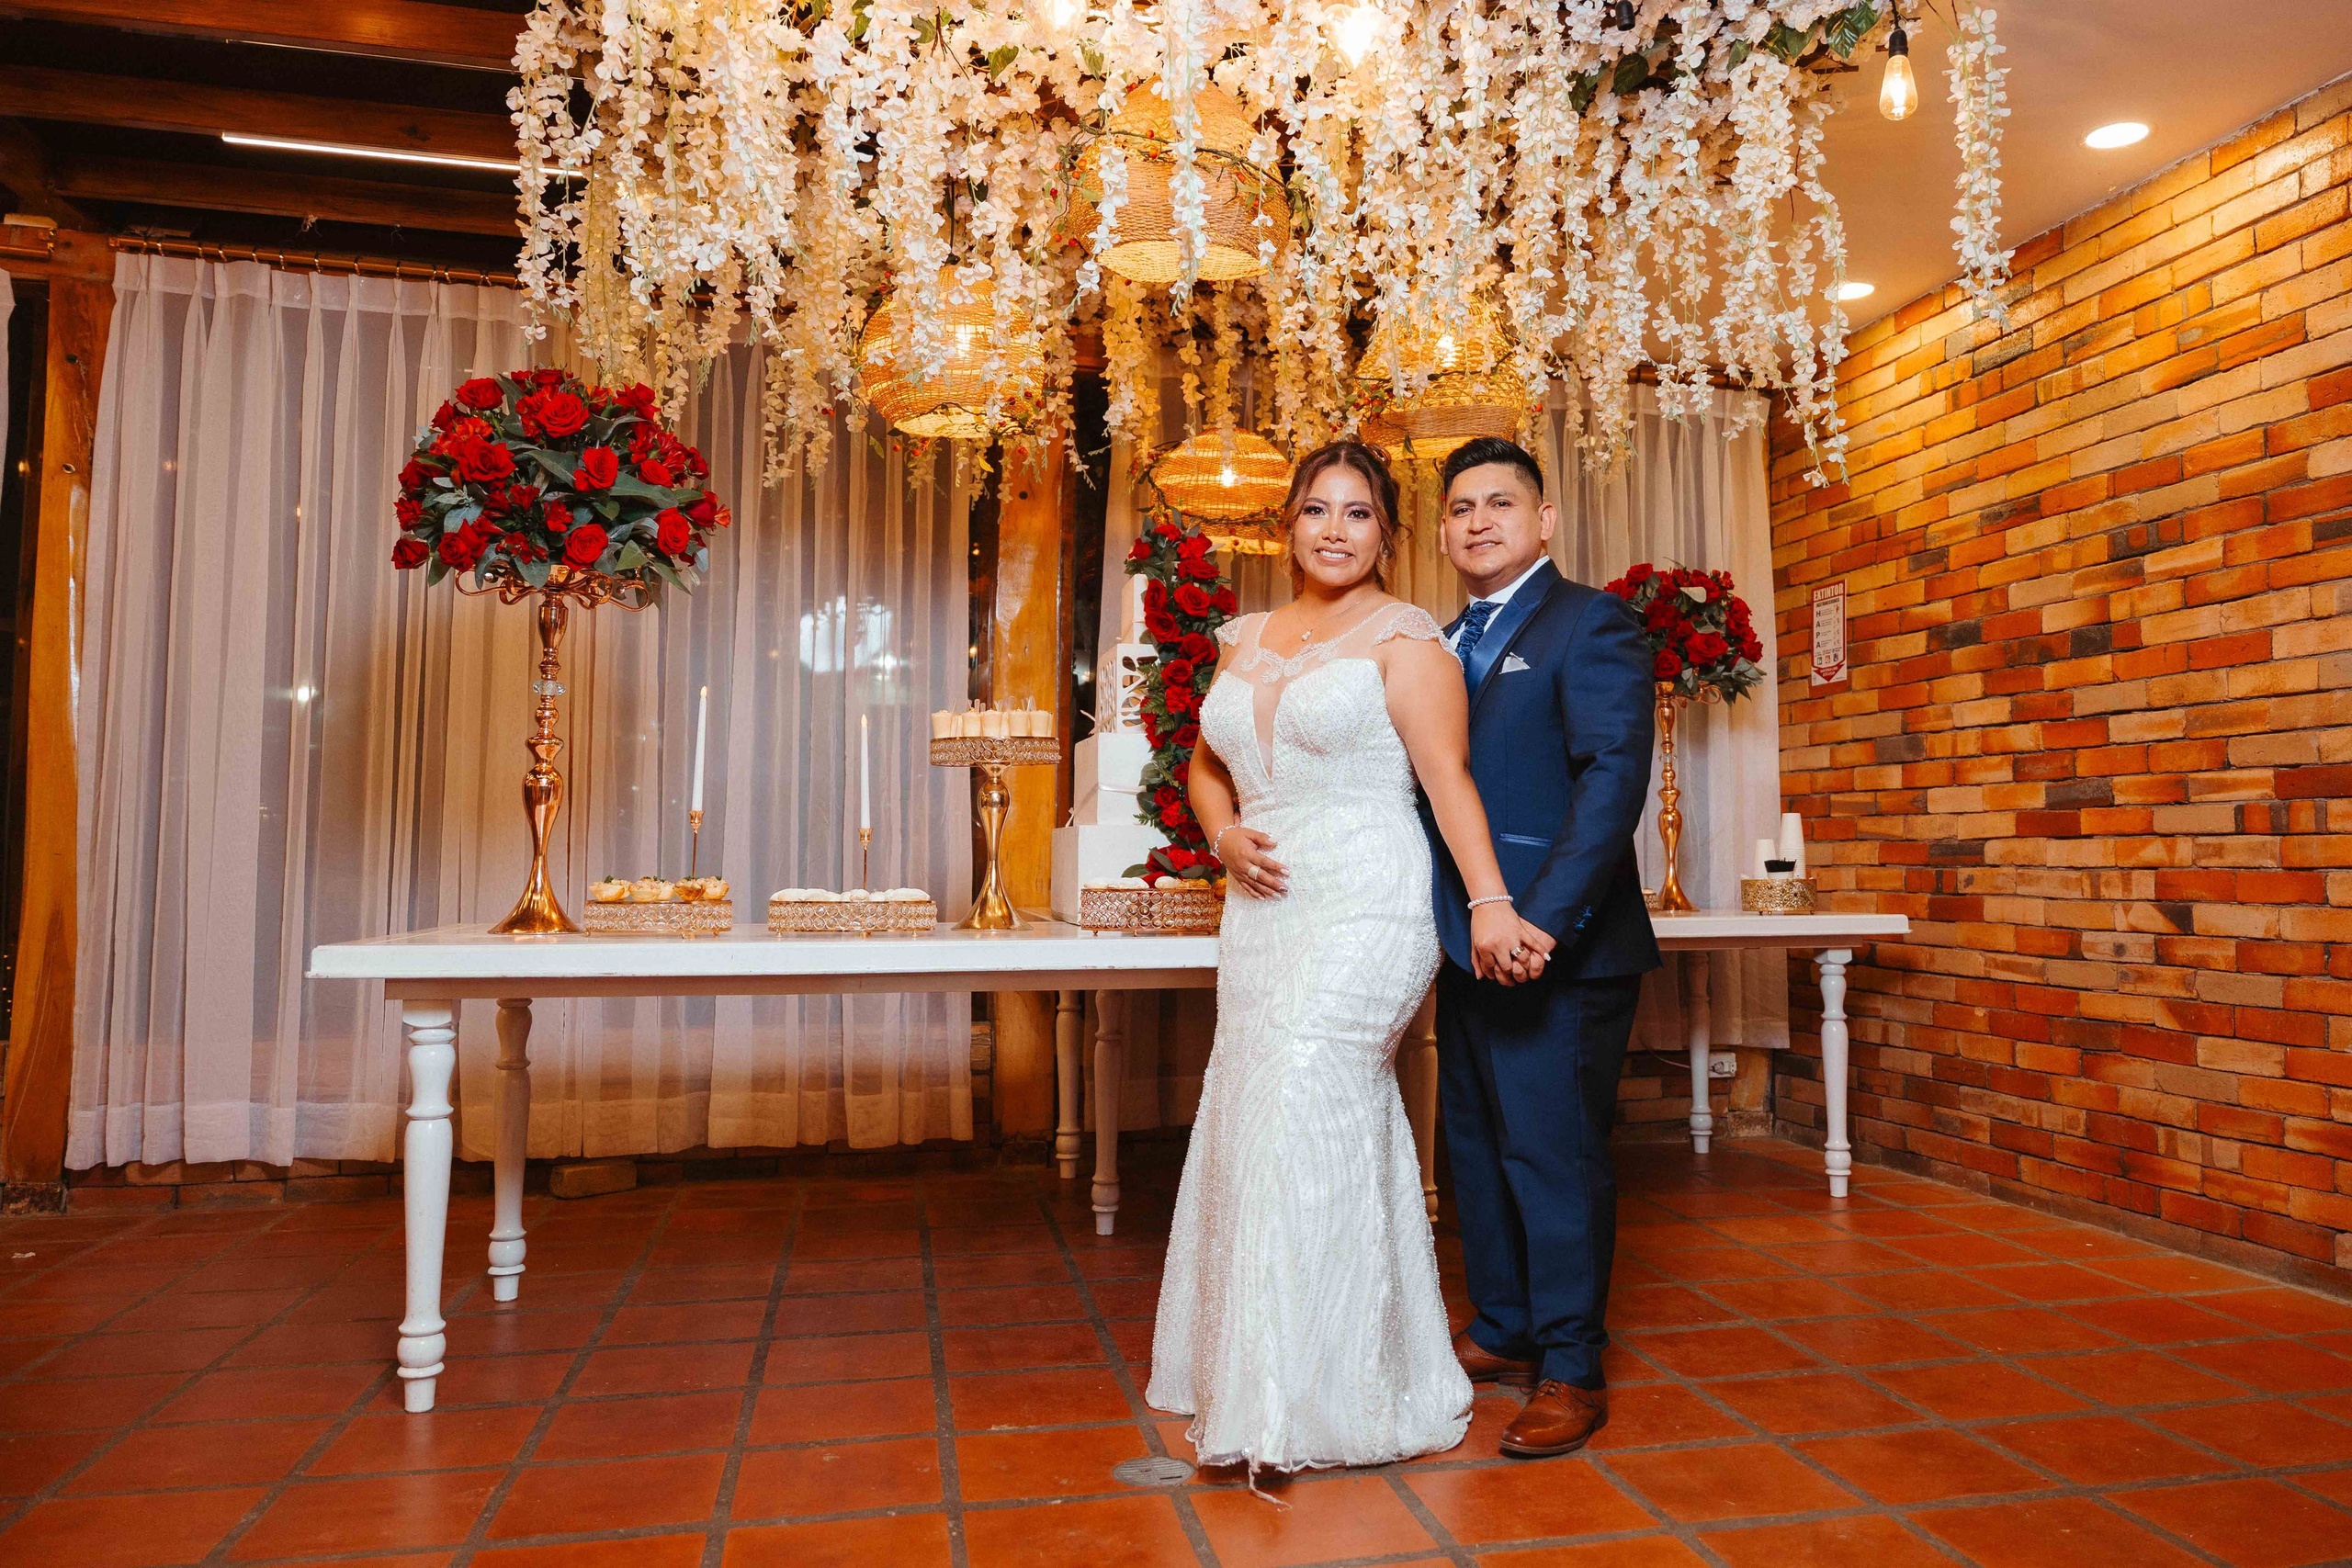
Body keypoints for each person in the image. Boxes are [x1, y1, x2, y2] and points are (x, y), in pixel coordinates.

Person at [1146, 440, 1555, 1475]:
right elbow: (1203, 767)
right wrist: (1223, 835)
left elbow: (1450, 781)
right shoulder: (1245, 636)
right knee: (1260, 1107)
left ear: (1386, 533)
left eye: (1358, 513)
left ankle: (1309, 1397)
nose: (1334, 529)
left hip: (1370, 900)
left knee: (1302, 1092)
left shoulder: (1408, 638)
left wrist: (1490, 905)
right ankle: (1293, 1364)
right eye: (1316, 510)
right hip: (1264, 909)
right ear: (1286, 524)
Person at [1422, 435, 1658, 1458]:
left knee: (1551, 1154)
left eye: (1501, 503)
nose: (1479, 521)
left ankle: (1570, 1364)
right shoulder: (1432, 642)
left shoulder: (1589, 622)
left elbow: (1610, 783)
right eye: (1462, 507)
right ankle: (1506, 1324)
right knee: (1473, 1147)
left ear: (1545, 520)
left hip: (1560, 945)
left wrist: (1539, 921)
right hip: (1462, 944)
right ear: (1441, 529)